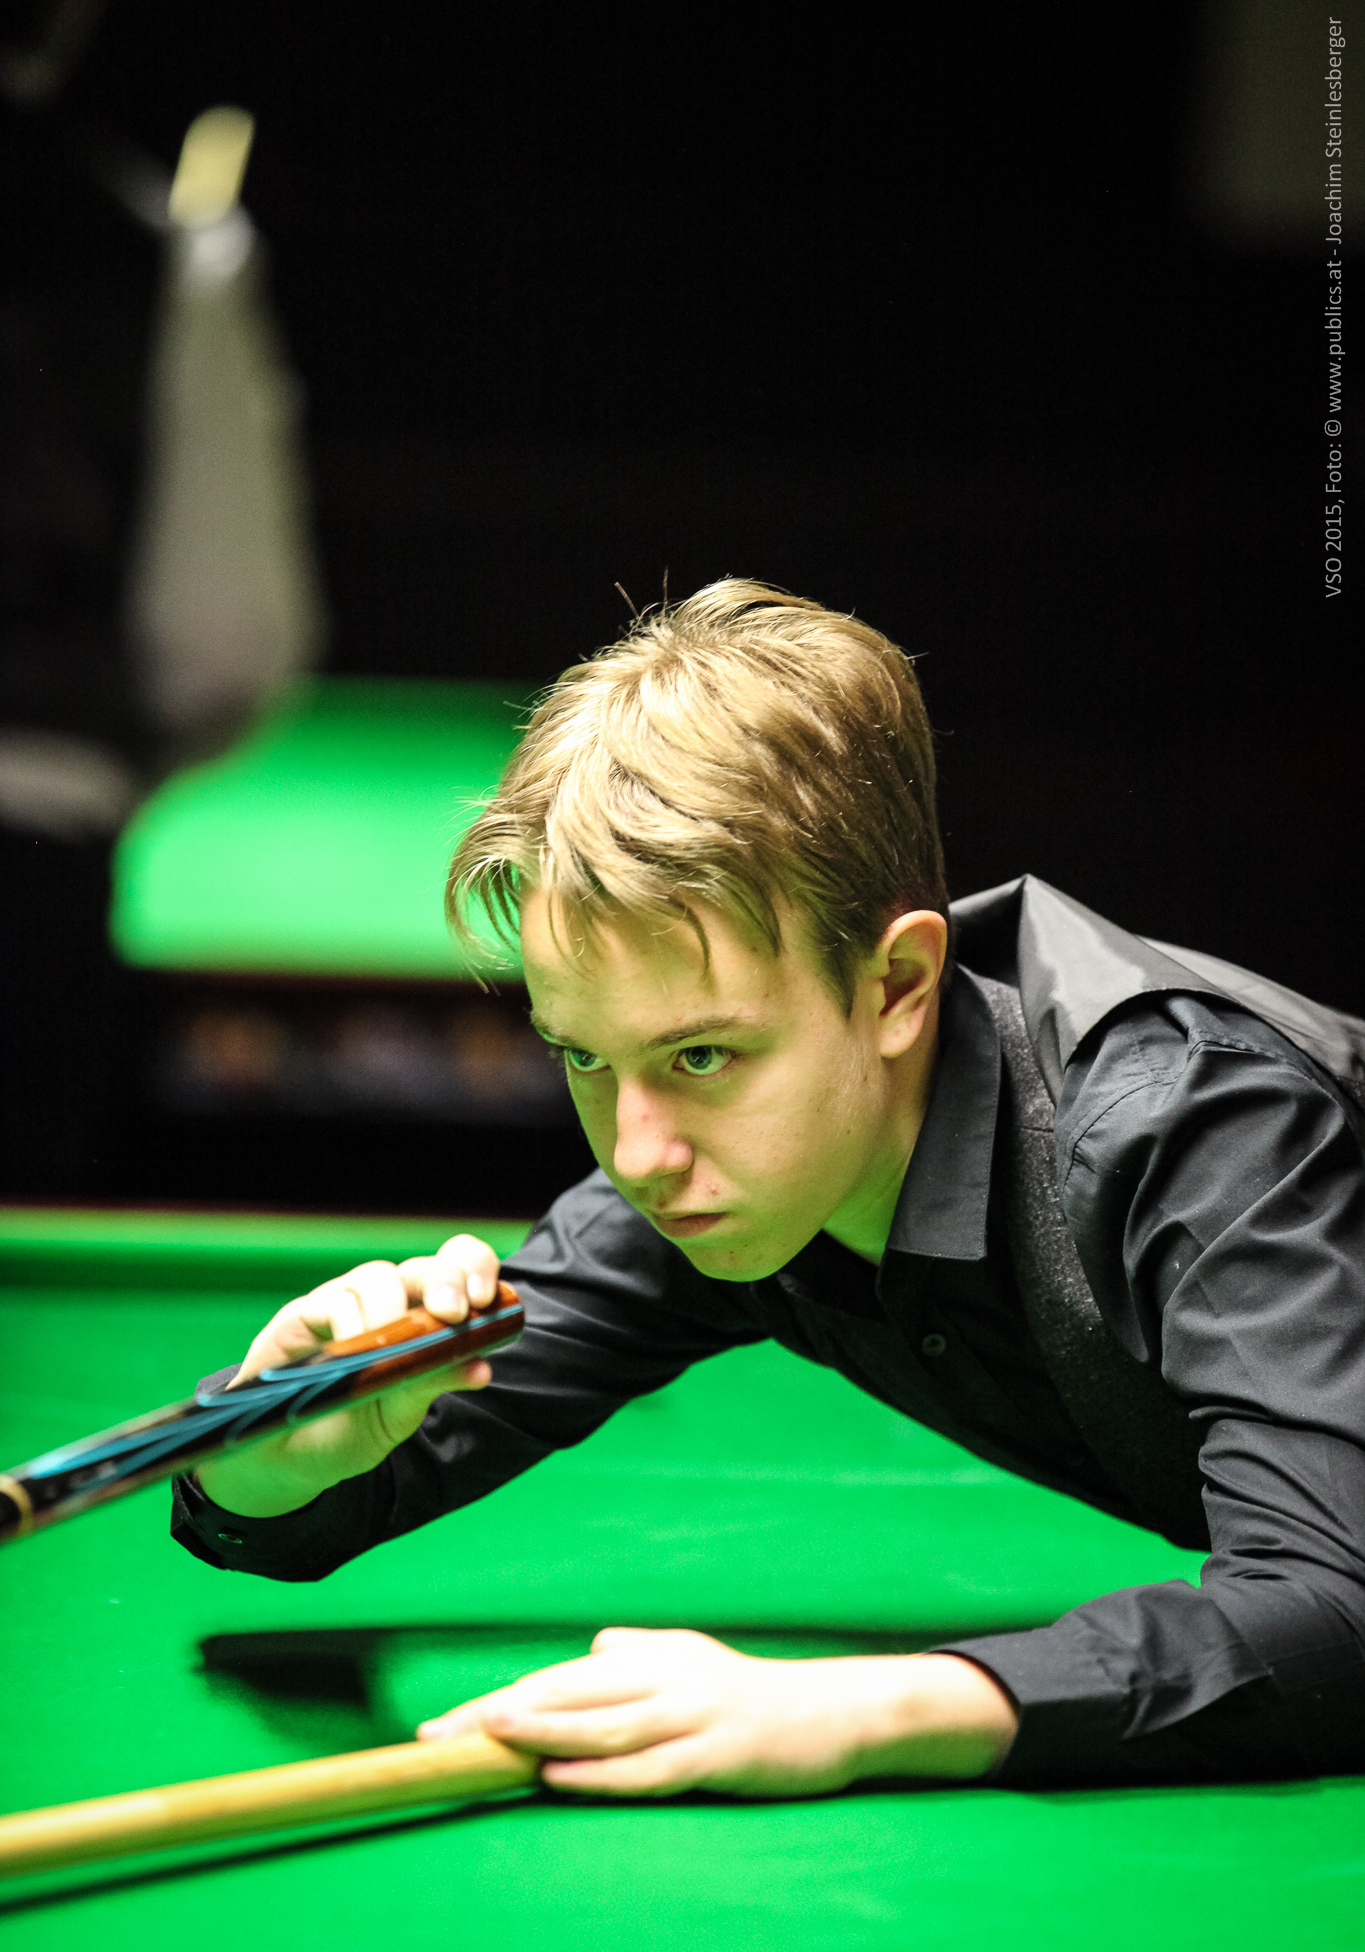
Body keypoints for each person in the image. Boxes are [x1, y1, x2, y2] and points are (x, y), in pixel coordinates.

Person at [172, 580, 1365, 1793]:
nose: (640, 1151)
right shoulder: (735, 1174)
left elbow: (1337, 1604)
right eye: (584, 1056)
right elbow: (336, 1478)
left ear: (898, 986)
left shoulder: (1194, 1123)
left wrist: (858, 1707)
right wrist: (276, 1443)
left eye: (701, 1055)